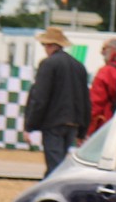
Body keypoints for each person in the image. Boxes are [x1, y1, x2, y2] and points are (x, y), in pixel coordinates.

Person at [25, 26, 90, 175]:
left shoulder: (48, 64)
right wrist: (83, 130)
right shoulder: (79, 66)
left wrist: (30, 124)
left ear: (49, 45)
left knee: (55, 166)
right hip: (73, 123)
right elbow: (85, 99)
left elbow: (40, 97)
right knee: (59, 162)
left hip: (53, 122)